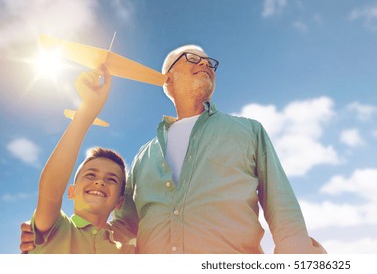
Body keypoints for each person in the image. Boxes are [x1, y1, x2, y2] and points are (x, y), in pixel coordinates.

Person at [21, 45, 325, 254]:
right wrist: (53, 234)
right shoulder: (143, 157)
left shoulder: (249, 131)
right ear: (168, 79)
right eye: (193, 59)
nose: (206, 64)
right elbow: (125, 225)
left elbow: (282, 210)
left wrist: (299, 259)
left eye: (210, 63)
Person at [27, 66, 134, 253]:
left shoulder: (127, 250)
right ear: (71, 191)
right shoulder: (54, 229)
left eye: (111, 179)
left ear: (119, 202)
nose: (99, 181)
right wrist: (88, 109)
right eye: (90, 175)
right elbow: (50, 190)